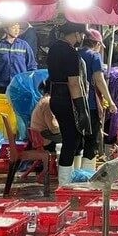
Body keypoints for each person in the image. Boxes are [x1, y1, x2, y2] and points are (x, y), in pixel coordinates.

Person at [46, 21, 90, 186]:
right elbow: (74, 83)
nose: (83, 37)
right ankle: (64, 183)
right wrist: (81, 108)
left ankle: (70, 178)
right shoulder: (70, 52)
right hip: (67, 100)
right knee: (71, 139)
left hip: (55, 98)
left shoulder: (54, 48)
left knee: (73, 138)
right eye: (82, 34)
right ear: (77, 33)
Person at [79, 29, 117, 169]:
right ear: (96, 43)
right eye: (100, 45)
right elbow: (99, 80)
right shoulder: (94, 56)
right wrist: (110, 101)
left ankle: (74, 173)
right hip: (90, 104)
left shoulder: (75, 53)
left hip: (74, 103)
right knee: (91, 138)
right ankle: (87, 174)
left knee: (77, 140)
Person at [0, 21, 37, 94]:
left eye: (18, 28)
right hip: (1, 86)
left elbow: (32, 66)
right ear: (6, 29)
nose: (16, 30)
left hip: (20, 86)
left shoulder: (24, 46)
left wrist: (31, 83)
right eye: (13, 28)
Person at [29, 81, 61, 151]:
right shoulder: (48, 103)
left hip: (40, 136)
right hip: (45, 139)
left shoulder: (44, 100)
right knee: (73, 139)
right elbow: (54, 128)